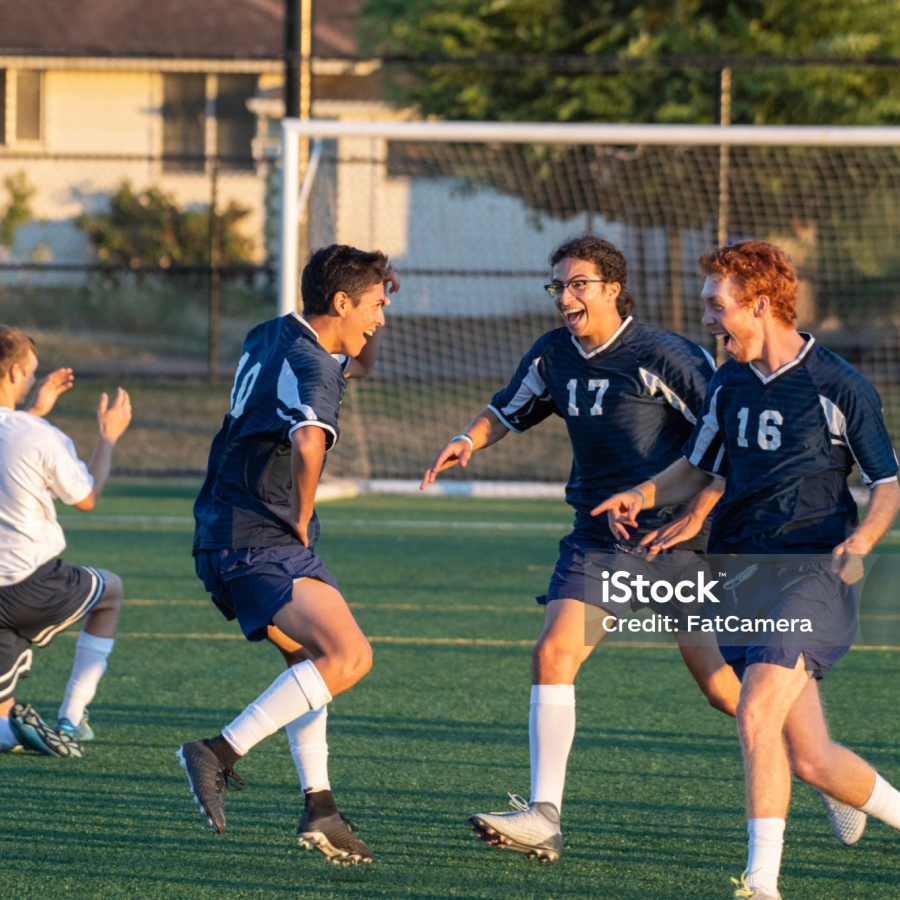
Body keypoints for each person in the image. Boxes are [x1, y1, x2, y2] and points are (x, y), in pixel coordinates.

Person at [422, 235, 748, 862]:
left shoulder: (665, 355)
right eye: (558, 286)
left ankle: (823, 769)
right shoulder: (553, 354)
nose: (565, 296)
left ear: (612, 290)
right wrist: (468, 438)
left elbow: (727, 442)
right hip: (600, 540)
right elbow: (507, 410)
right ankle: (544, 816)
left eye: (578, 284)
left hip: (680, 542)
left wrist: (696, 515)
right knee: (553, 653)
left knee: (724, 690)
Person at [596, 240, 900, 899]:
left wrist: (863, 540)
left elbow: (888, 483)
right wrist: (644, 493)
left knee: (755, 709)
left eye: (716, 305)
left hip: (814, 572)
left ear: (759, 305)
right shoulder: (728, 382)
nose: (706, 318)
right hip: (739, 574)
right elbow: (700, 466)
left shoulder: (838, 385)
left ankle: (761, 883)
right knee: (811, 759)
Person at [181, 244, 398, 866]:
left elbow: (359, 362)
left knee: (308, 666)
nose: (381, 317)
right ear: (341, 301)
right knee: (350, 656)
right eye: (374, 305)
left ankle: (320, 805)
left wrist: (375, 311)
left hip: (223, 528)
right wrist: (301, 514)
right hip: (259, 538)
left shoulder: (272, 333)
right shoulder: (314, 366)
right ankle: (217, 752)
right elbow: (308, 440)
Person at [0, 326, 131, 757]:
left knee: (3, 713)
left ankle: (9, 729)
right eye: (30, 371)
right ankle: (71, 719)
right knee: (110, 592)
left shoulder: (28, 426)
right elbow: (87, 497)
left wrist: (33, 410)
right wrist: (108, 437)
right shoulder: (37, 434)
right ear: (15, 372)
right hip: (33, 584)